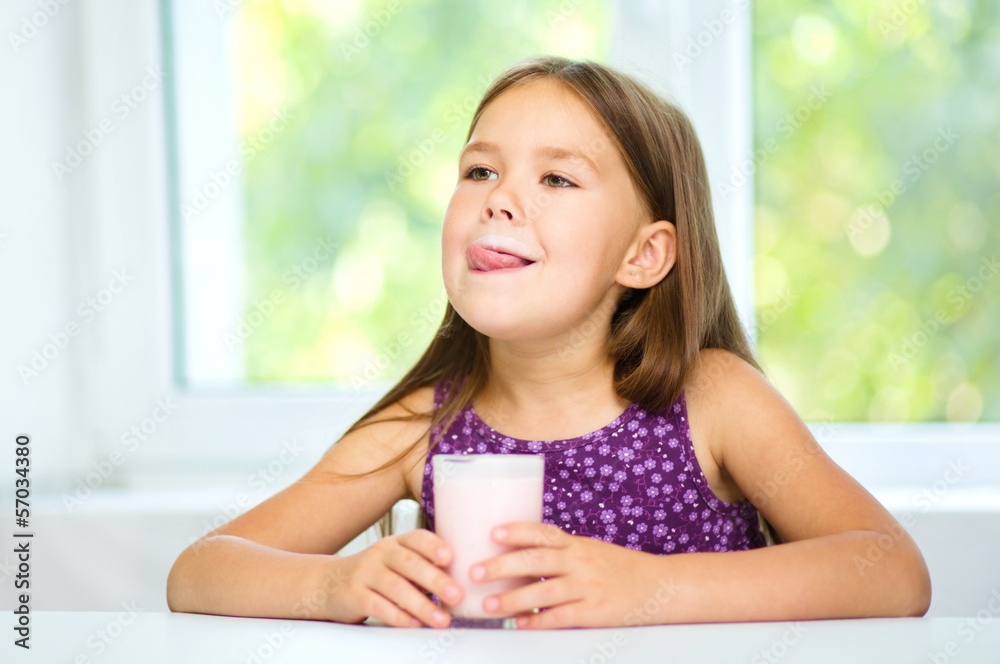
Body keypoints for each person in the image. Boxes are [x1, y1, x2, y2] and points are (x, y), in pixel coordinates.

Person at [167, 55, 931, 630]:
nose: (500, 197)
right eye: (480, 170)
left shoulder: (711, 400)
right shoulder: (421, 427)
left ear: (644, 255)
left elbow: (892, 570)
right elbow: (199, 573)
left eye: (557, 180)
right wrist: (335, 587)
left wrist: (647, 590)